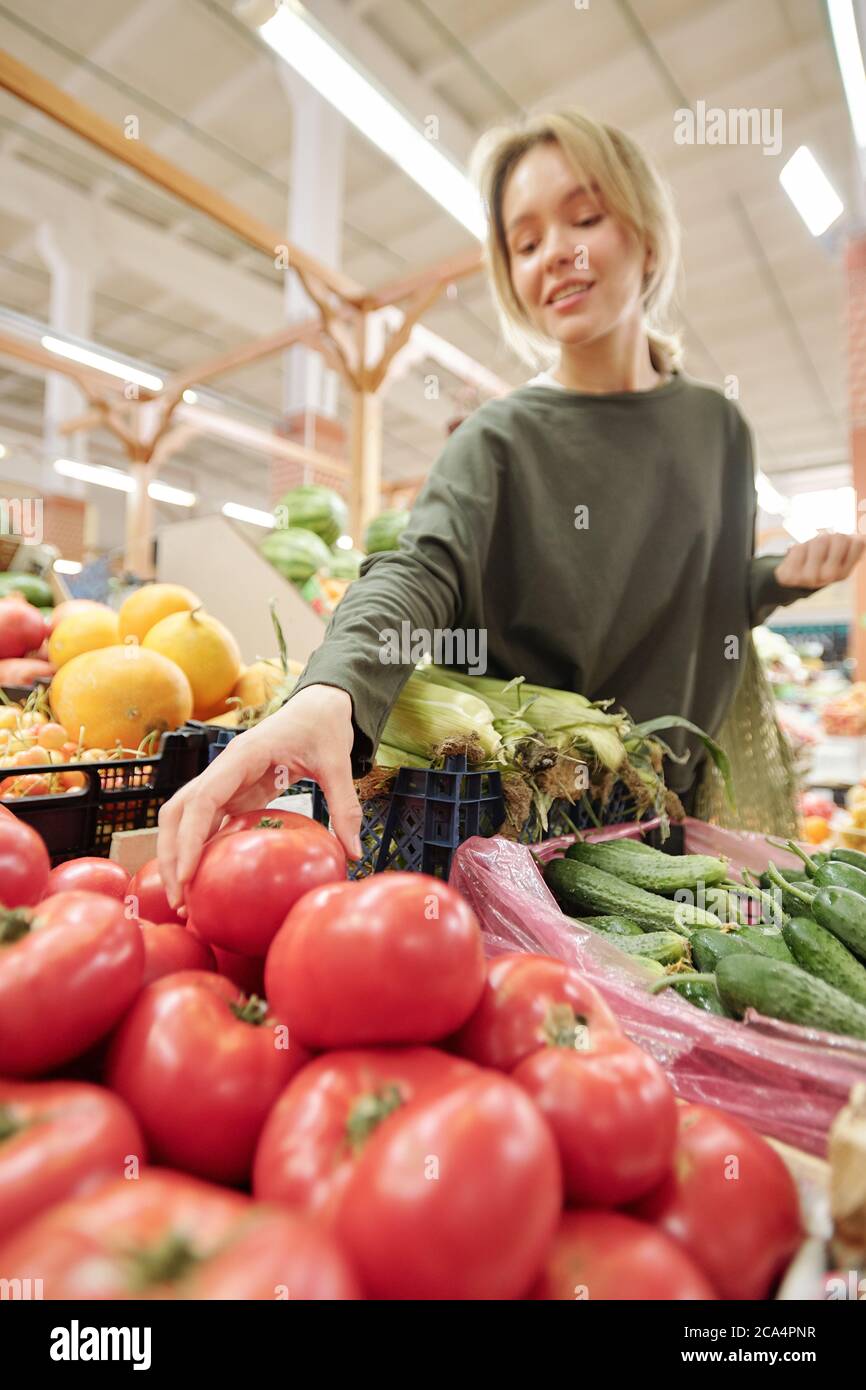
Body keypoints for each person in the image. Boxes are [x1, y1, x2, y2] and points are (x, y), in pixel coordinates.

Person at [157, 108, 863, 907]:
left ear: (648, 235)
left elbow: (702, 595)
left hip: (673, 828)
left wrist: (773, 581)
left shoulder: (719, 429)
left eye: (585, 216)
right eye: (524, 243)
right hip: (523, 843)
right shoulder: (500, 439)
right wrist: (333, 692)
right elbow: (422, 569)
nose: (554, 252)